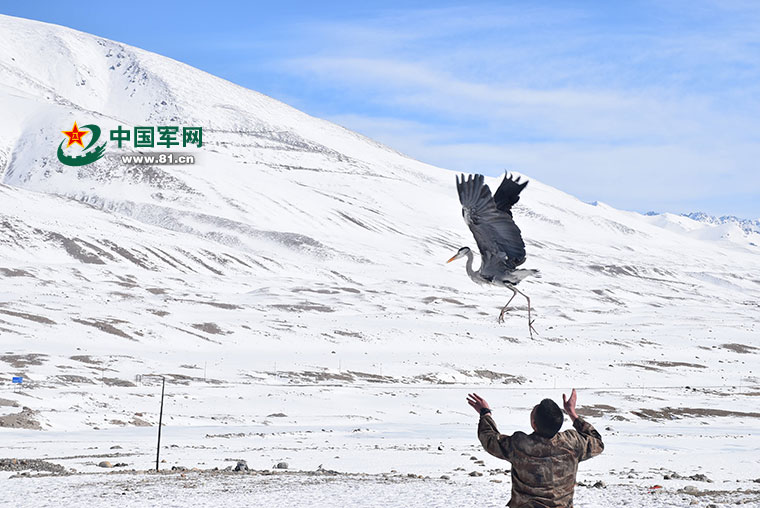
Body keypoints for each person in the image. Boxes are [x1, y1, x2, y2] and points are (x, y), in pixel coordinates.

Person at [467, 389, 604, 508]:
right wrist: (573, 414)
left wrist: (485, 413)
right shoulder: (573, 443)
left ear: (534, 424)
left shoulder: (519, 445)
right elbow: (597, 441)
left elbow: (489, 439)